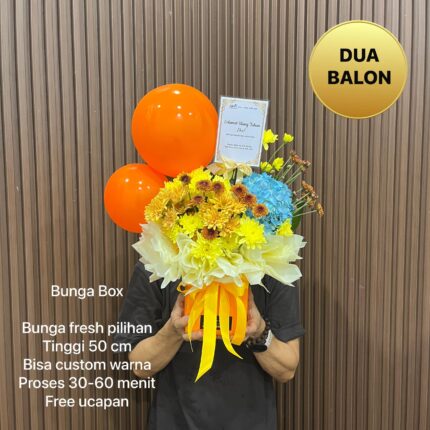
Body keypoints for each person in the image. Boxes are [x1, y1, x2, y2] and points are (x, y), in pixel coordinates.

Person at [115, 261, 305, 430]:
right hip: (175, 420)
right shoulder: (158, 260)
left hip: (251, 421)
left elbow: (287, 369)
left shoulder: (273, 263)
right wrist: (173, 331)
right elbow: (140, 366)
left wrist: (259, 332)